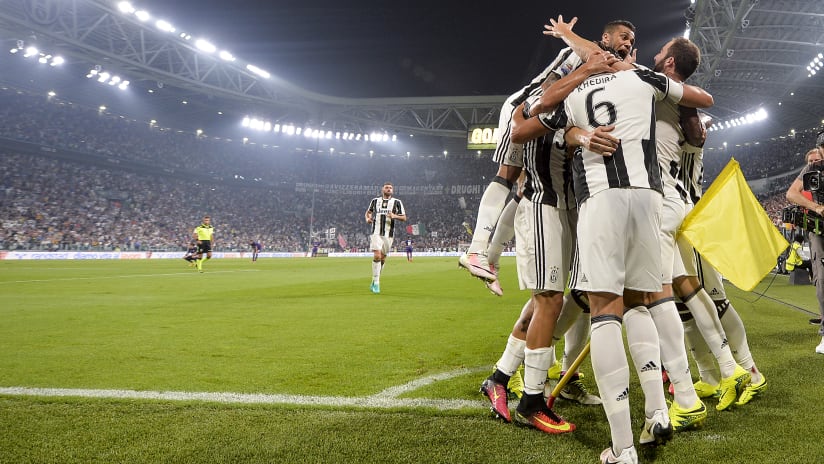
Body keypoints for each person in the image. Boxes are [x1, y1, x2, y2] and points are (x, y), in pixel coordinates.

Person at [541, 28, 713, 462]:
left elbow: (542, 111)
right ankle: (657, 408)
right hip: (649, 199)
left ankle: (622, 448)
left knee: (604, 311)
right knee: (643, 301)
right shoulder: (642, 77)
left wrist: (569, 40)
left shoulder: (574, 86)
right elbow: (702, 100)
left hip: (601, 200)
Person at [458, 19, 636, 285]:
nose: (628, 43)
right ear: (605, 38)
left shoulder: (605, 67)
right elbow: (545, 91)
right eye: (623, 37)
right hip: (525, 108)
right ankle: (476, 250)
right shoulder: (576, 53)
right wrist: (568, 36)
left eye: (632, 41)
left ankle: (491, 257)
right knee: (508, 175)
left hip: (548, 120)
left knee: (524, 189)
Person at [786, 144, 824, 354]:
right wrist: (817, 208)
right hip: (818, 227)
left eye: (817, 158)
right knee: (822, 278)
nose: (814, 162)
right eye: (811, 160)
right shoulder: (810, 172)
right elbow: (791, 194)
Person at [365, 182, 407, 294]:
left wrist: (394, 216)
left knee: (383, 258)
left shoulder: (397, 202)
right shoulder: (375, 201)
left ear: (392, 191)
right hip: (376, 232)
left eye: (390, 188)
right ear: (382, 189)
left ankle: (374, 280)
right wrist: (368, 219)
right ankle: (377, 283)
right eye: (387, 187)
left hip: (389, 234)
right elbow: (368, 213)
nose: (389, 189)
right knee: (377, 255)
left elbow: (404, 217)